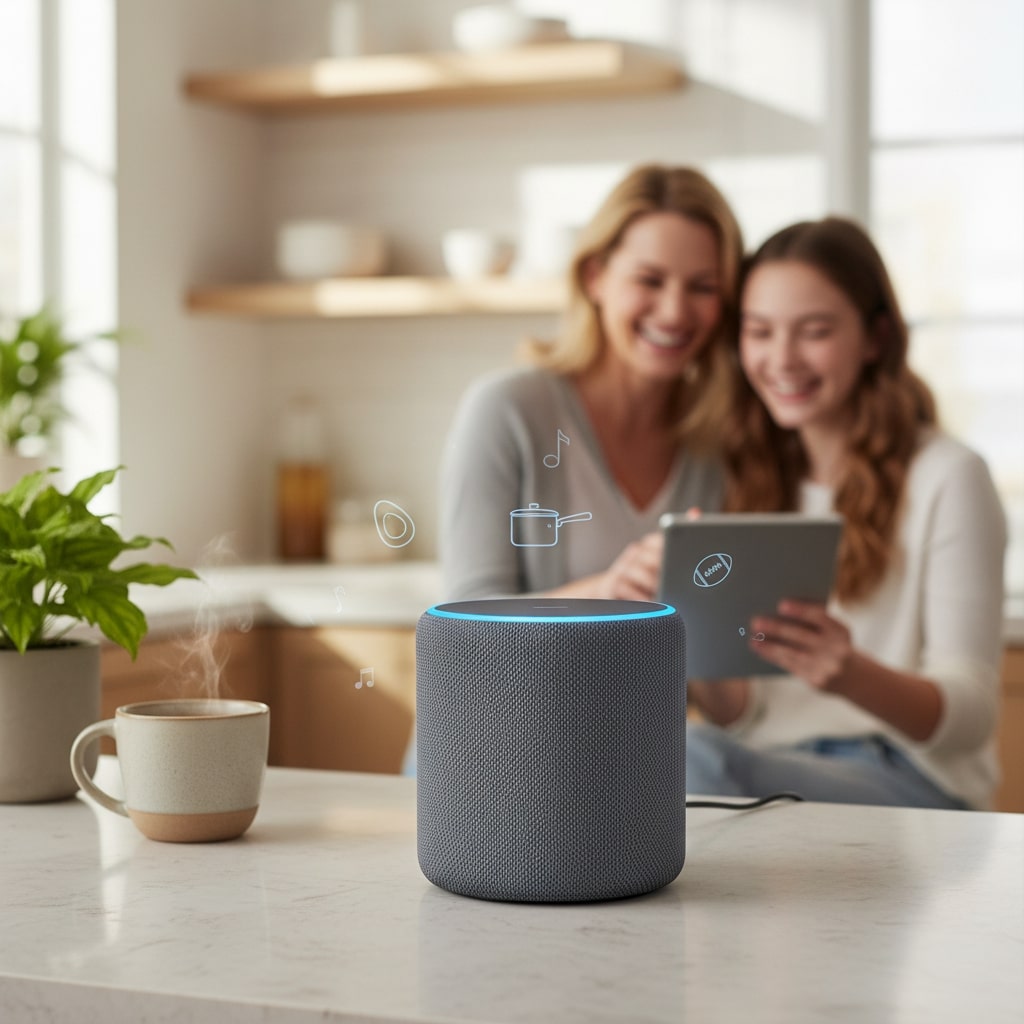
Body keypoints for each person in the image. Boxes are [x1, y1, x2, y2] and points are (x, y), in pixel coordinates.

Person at [685, 216, 1007, 810]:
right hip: (769, 767)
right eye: (759, 331)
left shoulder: (948, 476)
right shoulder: (751, 476)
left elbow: (972, 717)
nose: (782, 359)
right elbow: (741, 714)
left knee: (692, 758)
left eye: (814, 331)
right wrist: (692, 639)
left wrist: (850, 673)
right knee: (672, 751)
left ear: (876, 338)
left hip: (910, 779)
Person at [439, 164, 744, 601]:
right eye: (649, 280)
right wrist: (605, 594)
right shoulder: (508, 411)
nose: (675, 311)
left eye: (703, 287)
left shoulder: (721, 436)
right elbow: (463, 635)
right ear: (594, 277)